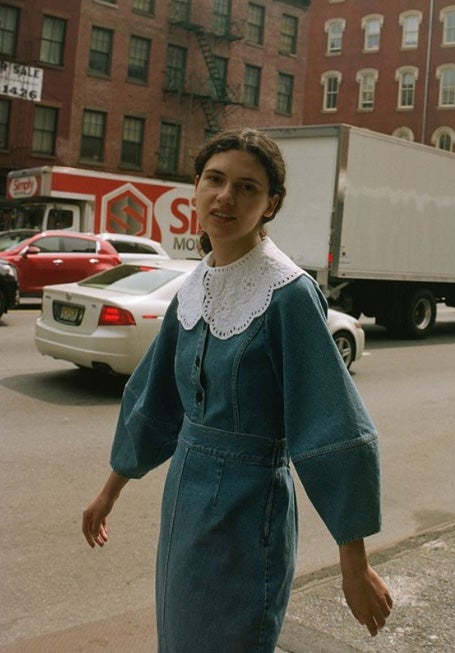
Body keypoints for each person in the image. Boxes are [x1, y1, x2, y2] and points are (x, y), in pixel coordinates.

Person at [82, 128, 392, 652]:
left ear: (271, 204)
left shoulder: (289, 295)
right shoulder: (193, 287)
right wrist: (109, 491)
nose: (226, 196)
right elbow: (153, 400)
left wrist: (353, 561)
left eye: (247, 187)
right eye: (215, 180)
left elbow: (331, 423)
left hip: (251, 510)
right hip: (185, 499)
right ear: (196, 188)